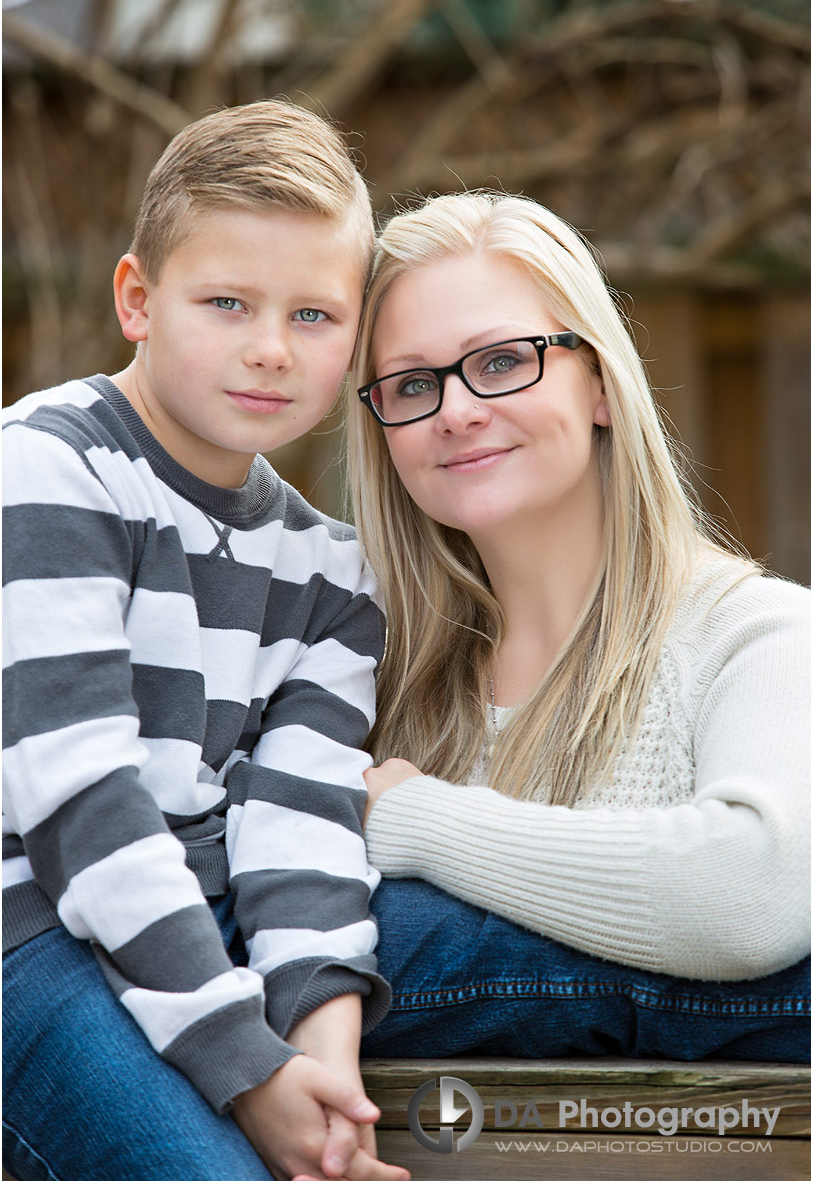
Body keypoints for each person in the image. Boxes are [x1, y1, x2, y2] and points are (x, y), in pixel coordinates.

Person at [3, 100, 410, 1183]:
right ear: (138, 299)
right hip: (28, 935)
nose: (270, 349)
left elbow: (304, 825)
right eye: (226, 302)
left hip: (206, 920)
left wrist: (322, 1078)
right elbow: (81, 802)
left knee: (515, 953)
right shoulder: (49, 471)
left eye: (315, 316)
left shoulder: (335, 573)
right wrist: (247, 1067)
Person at [346, 191, 810, 1065]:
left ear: (598, 382)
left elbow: (749, 896)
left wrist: (416, 819)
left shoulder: (757, 638)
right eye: (412, 383)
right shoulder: (364, 675)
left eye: (500, 361)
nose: (455, 410)